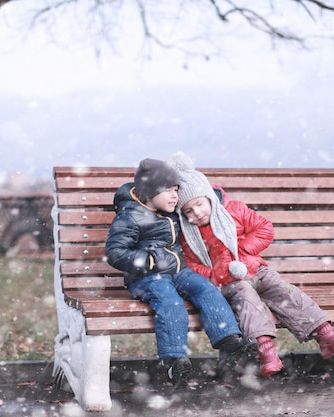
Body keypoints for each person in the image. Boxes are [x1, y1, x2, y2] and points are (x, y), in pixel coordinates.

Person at [167, 152, 334, 377]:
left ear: (209, 197)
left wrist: (243, 250)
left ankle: (325, 335)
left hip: (256, 269)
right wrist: (214, 273)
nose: (196, 213)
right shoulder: (189, 233)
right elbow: (190, 263)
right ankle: (267, 353)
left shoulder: (234, 209)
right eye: (188, 211)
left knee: (284, 290)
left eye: (199, 204)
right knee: (248, 301)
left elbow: (264, 228)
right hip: (230, 282)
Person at [105, 158, 257, 388]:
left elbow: (205, 197)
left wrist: (208, 194)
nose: (175, 196)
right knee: (170, 303)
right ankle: (175, 360)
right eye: (169, 190)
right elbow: (115, 252)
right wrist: (149, 260)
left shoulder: (171, 210)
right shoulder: (130, 217)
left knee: (206, 289)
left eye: (176, 190)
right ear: (149, 192)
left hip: (178, 270)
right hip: (148, 276)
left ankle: (228, 342)